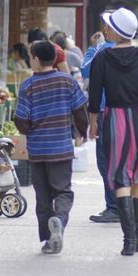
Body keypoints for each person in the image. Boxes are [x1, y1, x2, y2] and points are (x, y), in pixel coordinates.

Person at [88, 7, 138, 256]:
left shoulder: (102, 58)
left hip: (114, 120)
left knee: (120, 177)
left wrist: (93, 123)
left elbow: (93, 96)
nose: (106, 28)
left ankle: (128, 240)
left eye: (110, 25)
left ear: (117, 31)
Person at [13, 40, 88, 255]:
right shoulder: (68, 81)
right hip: (61, 148)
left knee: (43, 197)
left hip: (38, 151)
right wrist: (81, 133)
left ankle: (48, 240)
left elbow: (21, 120)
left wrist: (27, 130)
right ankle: (59, 221)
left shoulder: (28, 85)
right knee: (63, 192)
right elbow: (80, 112)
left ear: (36, 59)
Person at [81, 22, 118, 224]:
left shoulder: (102, 51)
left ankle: (113, 207)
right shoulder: (135, 52)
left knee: (105, 161)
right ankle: (122, 205)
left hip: (104, 112)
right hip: (126, 113)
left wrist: (92, 48)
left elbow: (86, 72)